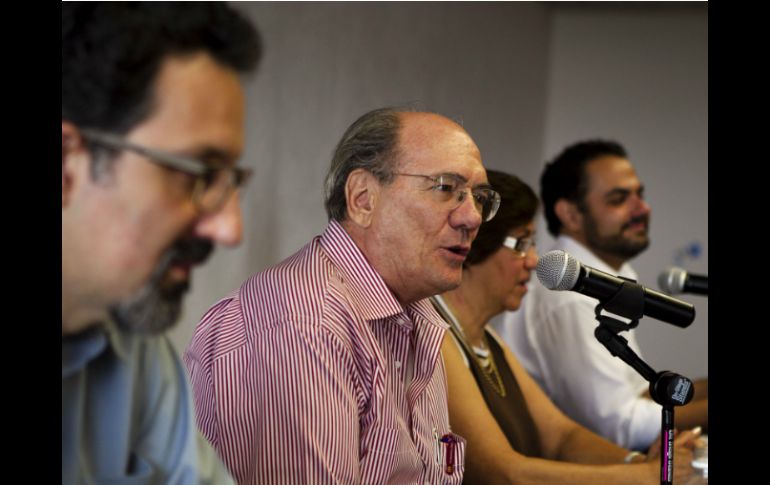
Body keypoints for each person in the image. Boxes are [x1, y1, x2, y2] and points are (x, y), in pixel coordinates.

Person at [185, 107, 500, 483]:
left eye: (479, 197)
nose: (473, 217)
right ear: (363, 198)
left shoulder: (418, 315)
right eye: (447, 188)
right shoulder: (305, 321)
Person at [62, 3, 262, 483]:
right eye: (198, 174)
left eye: (229, 180)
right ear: (67, 166)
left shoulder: (135, 349)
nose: (230, 229)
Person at [434, 169, 703, 484]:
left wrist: (640, 462)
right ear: (475, 245)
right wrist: (643, 475)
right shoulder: (440, 338)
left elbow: (561, 436)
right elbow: (503, 473)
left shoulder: (489, 340)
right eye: (521, 243)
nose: (533, 260)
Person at [493, 140, 708, 451]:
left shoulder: (607, 279)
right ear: (571, 214)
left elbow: (638, 394)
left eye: (640, 195)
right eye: (619, 199)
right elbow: (620, 427)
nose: (642, 209)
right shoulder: (568, 294)